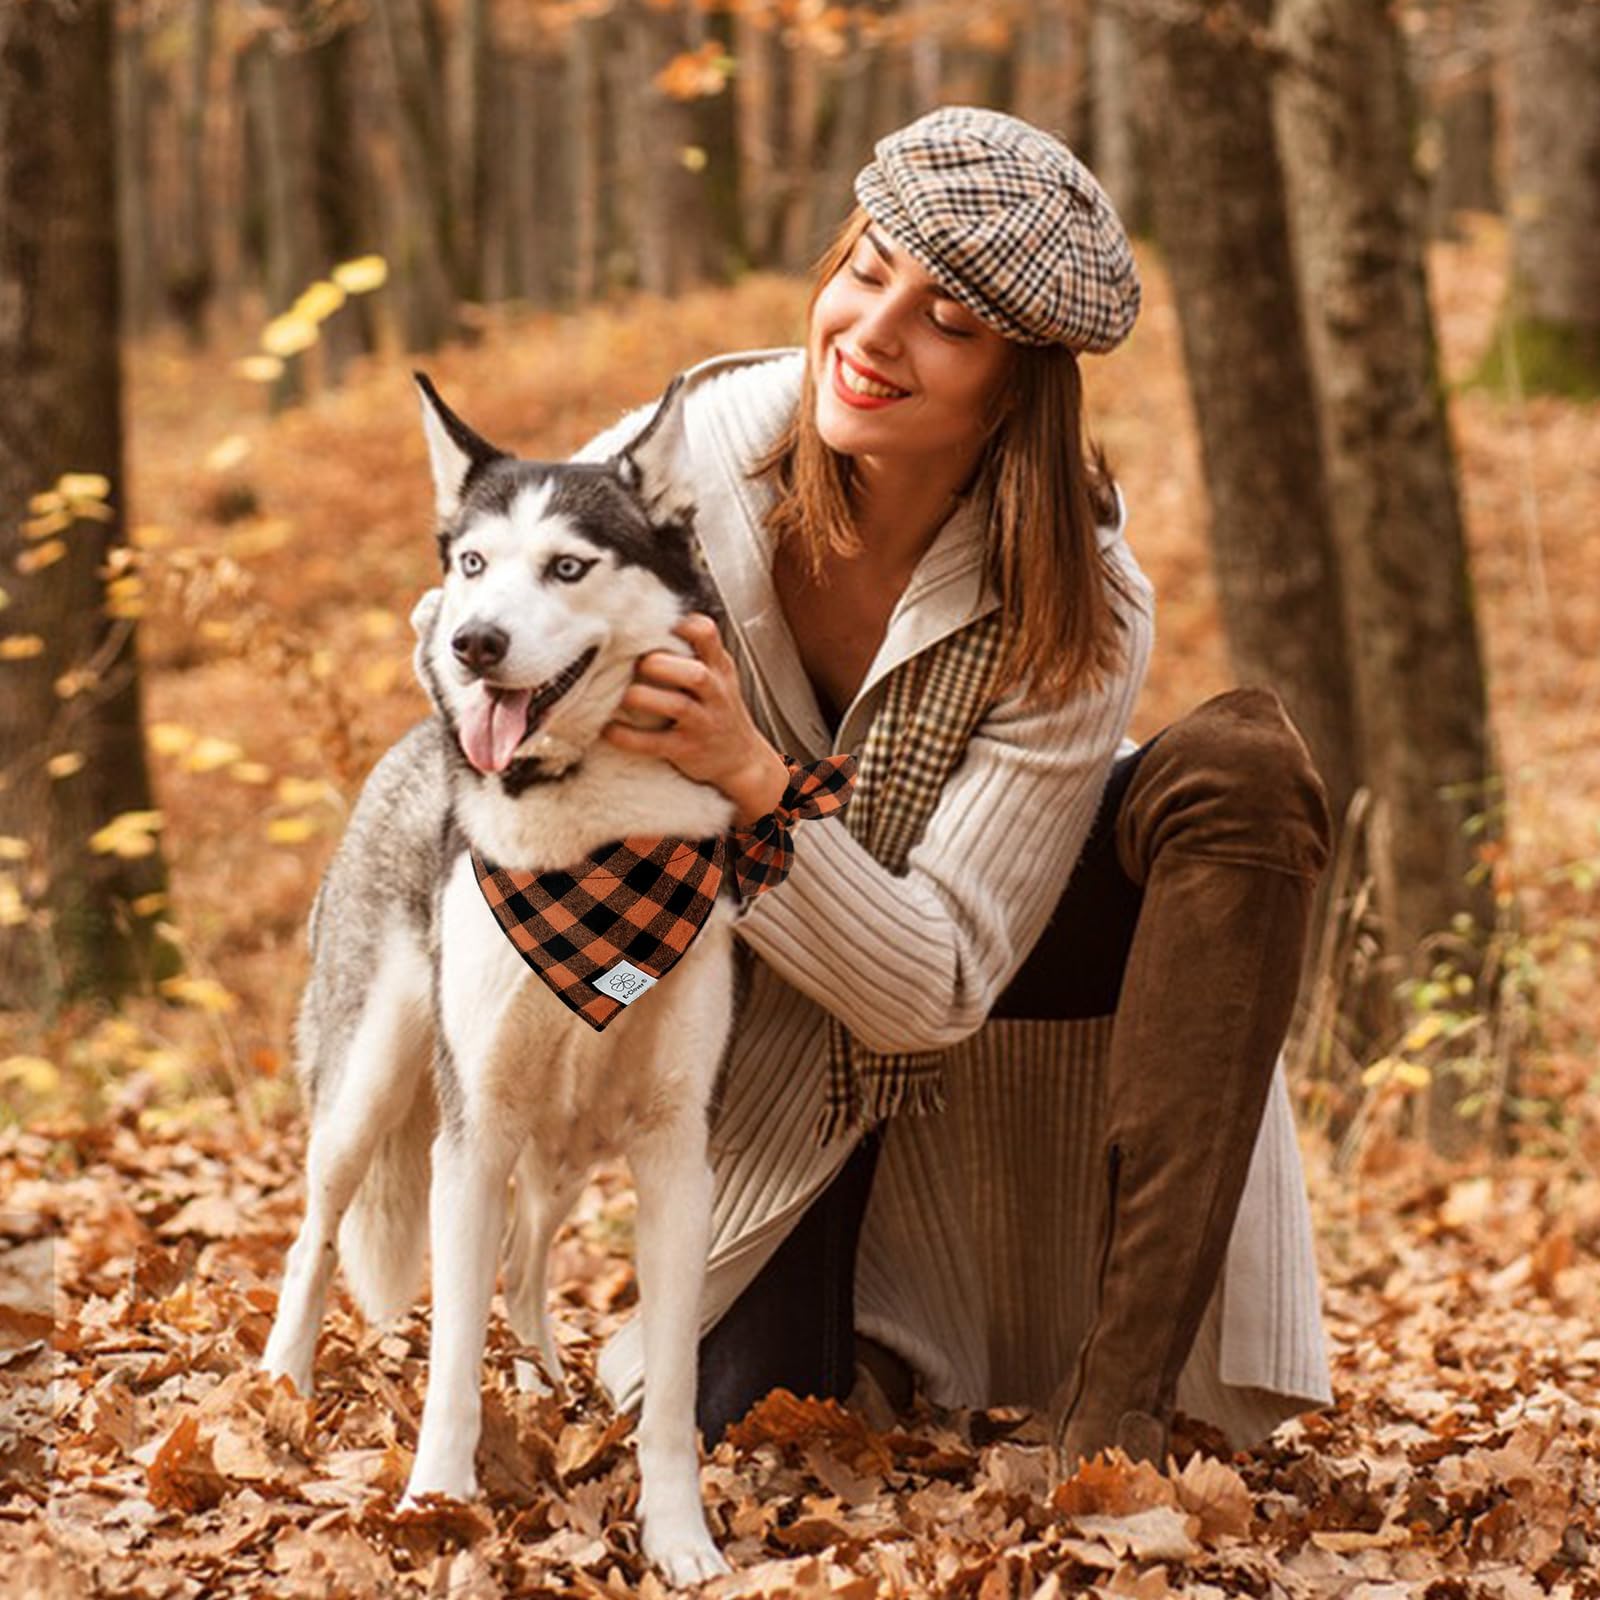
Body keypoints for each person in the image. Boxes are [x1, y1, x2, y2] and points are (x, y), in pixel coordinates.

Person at [579, 105, 1332, 1470]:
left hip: (959, 949)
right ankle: (866, 1323)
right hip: (751, 997)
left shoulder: (1078, 600)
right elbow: (460, 634)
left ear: (1014, 385)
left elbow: (937, 980)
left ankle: (1119, 1406)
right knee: (758, 1435)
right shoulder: (682, 462)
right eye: (866, 271)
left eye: (950, 321)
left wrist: (753, 779)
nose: (874, 333)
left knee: (1243, 769)